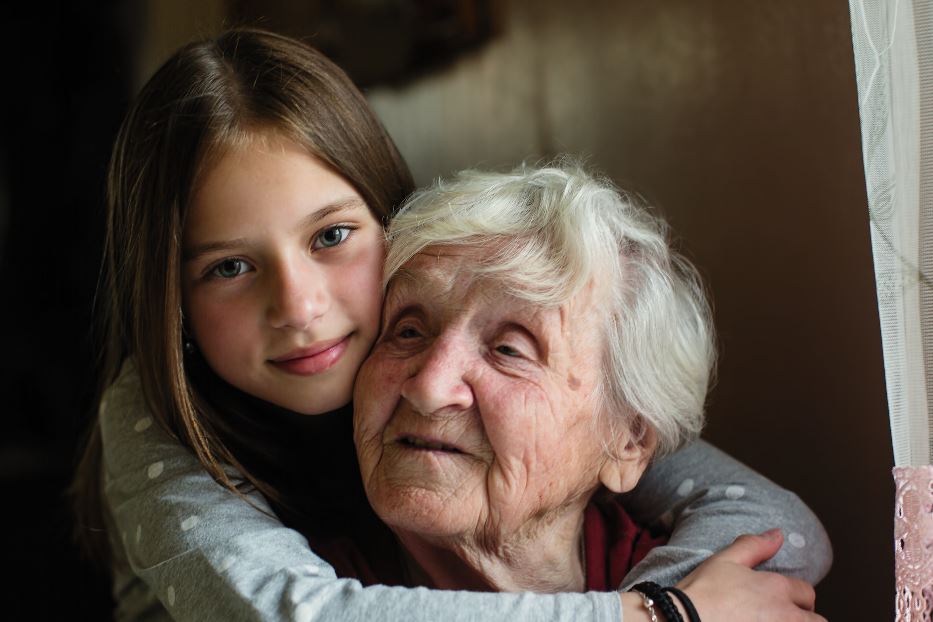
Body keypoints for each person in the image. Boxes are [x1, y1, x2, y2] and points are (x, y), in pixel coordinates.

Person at [72, 28, 831, 622]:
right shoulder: (158, 421)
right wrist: (657, 615)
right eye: (228, 268)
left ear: (391, 221)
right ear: (169, 303)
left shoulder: (604, 411)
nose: (299, 308)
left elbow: (771, 522)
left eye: (331, 237)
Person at [346, 161, 826, 622]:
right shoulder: (300, 583)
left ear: (628, 440)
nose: (429, 386)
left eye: (510, 349)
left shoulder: (734, 602)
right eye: (407, 331)